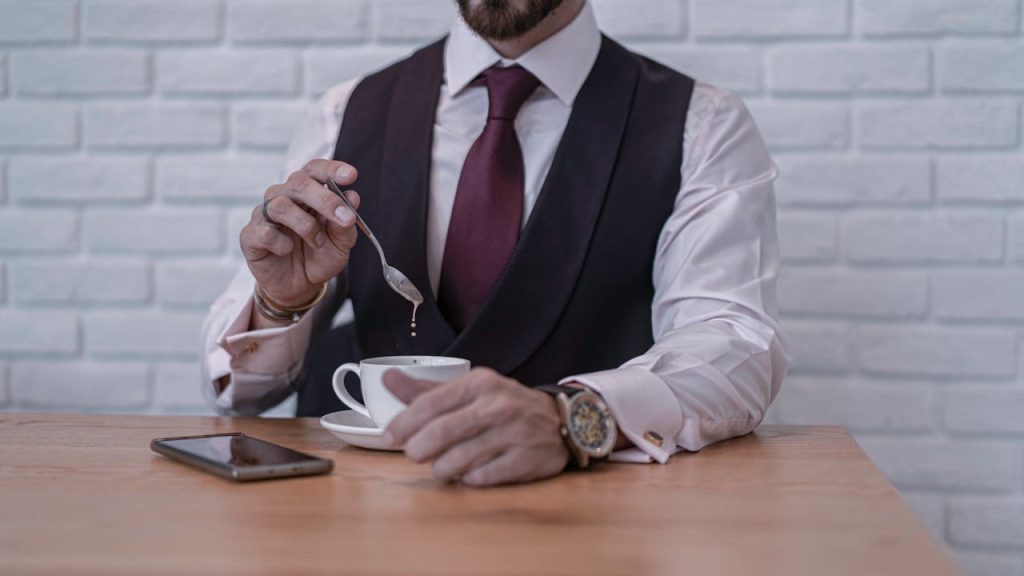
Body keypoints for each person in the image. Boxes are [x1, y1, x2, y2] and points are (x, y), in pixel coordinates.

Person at [201, 0, 789, 487]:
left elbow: (735, 345)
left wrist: (573, 418)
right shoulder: (346, 111)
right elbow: (237, 396)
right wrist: (280, 302)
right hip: (362, 513)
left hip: (592, 521)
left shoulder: (703, 124)